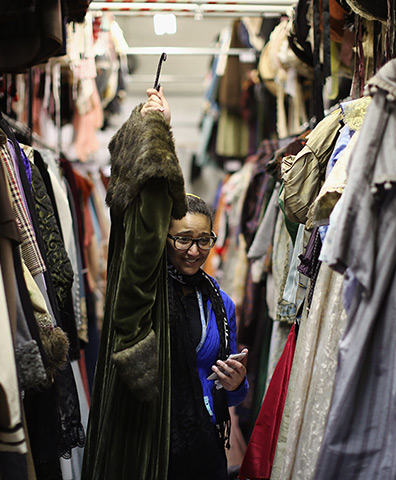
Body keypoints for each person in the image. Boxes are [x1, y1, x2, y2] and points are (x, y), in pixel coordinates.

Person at [143, 87, 250, 479]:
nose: (193, 250)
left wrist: (238, 384)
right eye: (183, 239)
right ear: (165, 239)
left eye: (203, 240)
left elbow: (230, 392)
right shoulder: (147, 295)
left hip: (204, 446)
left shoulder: (221, 304)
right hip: (153, 444)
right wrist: (159, 133)